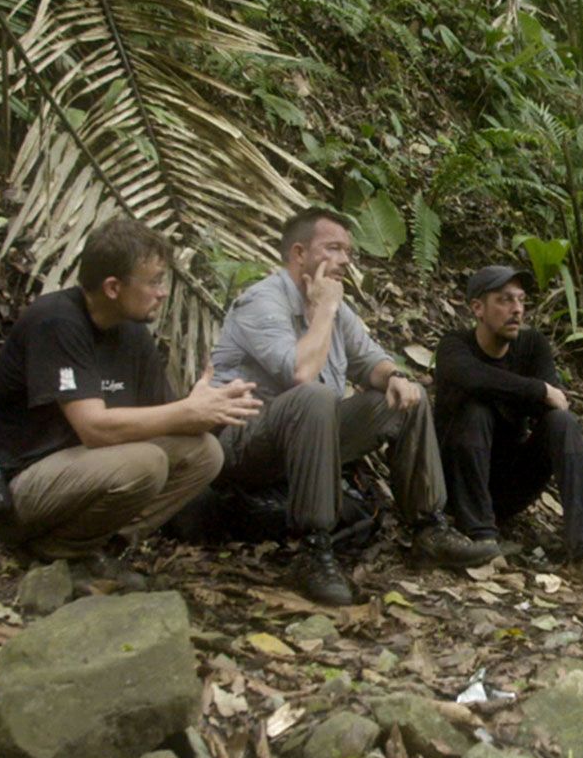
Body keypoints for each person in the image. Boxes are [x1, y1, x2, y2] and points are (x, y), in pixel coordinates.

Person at [209, 208, 498, 606]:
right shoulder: (263, 301)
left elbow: (369, 361)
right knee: (315, 396)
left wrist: (394, 376)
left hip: (311, 441)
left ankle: (429, 529)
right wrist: (324, 311)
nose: (345, 260)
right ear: (299, 254)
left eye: (348, 250)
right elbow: (301, 374)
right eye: (333, 248)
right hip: (247, 443)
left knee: (405, 398)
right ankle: (314, 550)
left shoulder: (334, 305)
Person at [0, 216, 258, 584]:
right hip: (21, 491)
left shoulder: (132, 333)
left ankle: (102, 546)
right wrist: (184, 412)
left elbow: (160, 420)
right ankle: (59, 553)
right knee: (147, 462)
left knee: (204, 453)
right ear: (113, 287)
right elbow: (93, 428)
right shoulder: (57, 322)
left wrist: (207, 409)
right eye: (154, 282)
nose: (162, 292)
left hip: (87, 473)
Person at [435, 265, 583, 590]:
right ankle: (482, 541)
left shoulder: (532, 345)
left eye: (521, 300)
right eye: (504, 300)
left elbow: (554, 405)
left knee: (562, 422)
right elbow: (472, 377)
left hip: (510, 486)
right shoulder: (454, 347)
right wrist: (536, 390)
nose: (517, 309)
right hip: (460, 489)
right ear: (477, 308)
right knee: (475, 410)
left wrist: (539, 394)